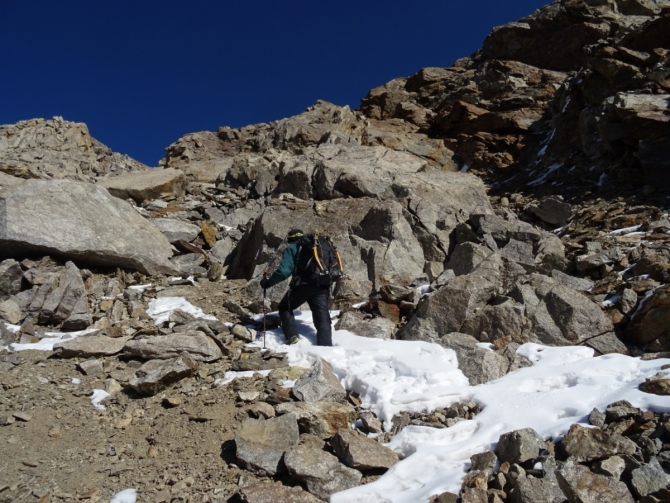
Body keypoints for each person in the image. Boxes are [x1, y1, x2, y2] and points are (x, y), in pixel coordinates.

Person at [259, 229, 333, 346]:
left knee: (285, 307)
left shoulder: (292, 248)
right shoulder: (318, 247)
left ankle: (292, 337)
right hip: (322, 284)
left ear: (290, 239)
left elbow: (284, 271)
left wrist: (268, 283)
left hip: (303, 285)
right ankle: (325, 344)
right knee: (322, 313)